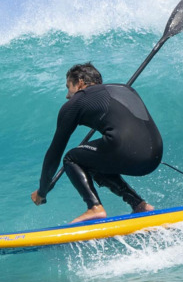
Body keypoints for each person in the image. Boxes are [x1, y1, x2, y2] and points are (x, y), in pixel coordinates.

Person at [31, 62, 162, 223]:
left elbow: (54, 153)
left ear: (80, 82)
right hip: (155, 155)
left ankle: (94, 207)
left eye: (68, 87)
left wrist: (42, 191)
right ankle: (139, 204)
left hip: (127, 152)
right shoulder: (123, 88)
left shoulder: (76, 102)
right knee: (94, 158)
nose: (67, 95)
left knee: (71, 157)